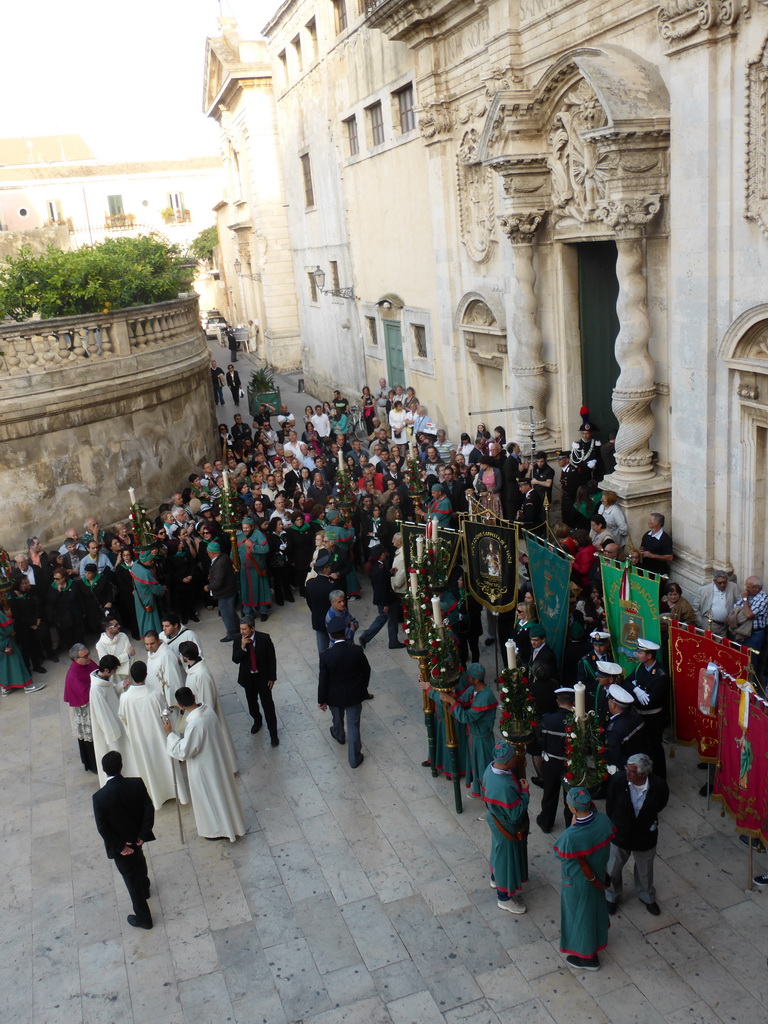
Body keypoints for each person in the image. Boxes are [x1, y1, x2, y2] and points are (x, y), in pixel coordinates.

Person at [164, 686, 246, 842]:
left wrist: (170, 735)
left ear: (180, 705)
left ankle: (217, 830)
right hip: (217, 761)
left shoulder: (195, 724)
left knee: (210, 798)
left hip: (204, 767)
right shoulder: (208, 710)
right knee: (221, 795)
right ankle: (229, 825)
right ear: (194, 696)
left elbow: (184, 752)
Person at [553, 786, 615, 970]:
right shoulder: (604, 821)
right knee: (594, 910)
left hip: (577, 882)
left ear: (572, 809)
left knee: (580, 918)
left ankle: (588, 957)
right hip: (598, 875)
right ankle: (596, 942)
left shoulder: (570, 836)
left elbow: (560, 854)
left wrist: (572, 826)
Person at [92, 750, 155, 930]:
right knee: (140, 861)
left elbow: (102, 828)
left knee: (130, 880)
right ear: (122, 765)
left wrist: (119, 846)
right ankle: (145, 888)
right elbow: (148, 809)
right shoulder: (136, 783)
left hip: (122, 847)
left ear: (104, 770)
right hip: (137, 840)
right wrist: (142, 835)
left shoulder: (99, 798)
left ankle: (144, 918)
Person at [605, 753, 669, 917]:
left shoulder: (659, 786)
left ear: (643, 774)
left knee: (645, 870)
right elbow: (610, 804)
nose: (627, 773)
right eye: (627, 769)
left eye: (631, 771)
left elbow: (661, 804)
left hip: (644, 835)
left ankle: (646, 897)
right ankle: (611, 897)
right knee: (613, 868)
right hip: (620, 833)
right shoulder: (618, 781)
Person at [119, 662, 187, 810]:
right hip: (158, 737)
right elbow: (165, 715)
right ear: (146, 675)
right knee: (165, 763)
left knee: (148, 767)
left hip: (139, 740)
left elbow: (122, 717)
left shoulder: (124, 698)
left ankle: (156, 797)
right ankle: (175, 792)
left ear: (131, 675)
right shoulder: (156, 695)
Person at [480, 740, 530, 914]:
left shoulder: (491, 767)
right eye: (514, 758)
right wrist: (525, 792)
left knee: (498, 850)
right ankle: (505, 898)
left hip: (495, 820)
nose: (516, 760)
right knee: (506, 860)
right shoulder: (503, 786)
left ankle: (495, 878)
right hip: (507, 826)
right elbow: (515, 813)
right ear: (507, 762)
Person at [318, 615, 371, 768]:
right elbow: (366, 670)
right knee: (353, 726)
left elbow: (323, 681)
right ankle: (354, 759)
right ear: (345, 632)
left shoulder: (326, 656)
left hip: (334, 696)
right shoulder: (356, 651)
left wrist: (321, 700)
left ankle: (339, 734)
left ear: (330, 635)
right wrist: (363, 687)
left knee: (338, 718)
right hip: (354, 693)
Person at [178, 641, 238, 773]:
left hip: (205, 720)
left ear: (186, 657)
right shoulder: (193, 670)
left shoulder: (202, 674)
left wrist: (199, 718)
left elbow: (208, 702)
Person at [440, 663, 497, 798]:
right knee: (475, 765)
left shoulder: (485, 696)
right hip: (474, 736)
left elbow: (467, 717)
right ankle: (478, 790)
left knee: (483, 768)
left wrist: (451, 701)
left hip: (483, 740)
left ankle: (488, 800)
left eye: (469, 677)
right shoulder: (473, 690)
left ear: (476, 680)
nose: (466, 679)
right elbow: (461, 700)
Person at [89, 654, 136, 786]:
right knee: (117, 751)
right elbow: (102, 714)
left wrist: (121, 685)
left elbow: (112, 691)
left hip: (116, 721)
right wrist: (113, 732)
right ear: (106, 670)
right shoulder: (96, 689)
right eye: (114, 669)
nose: (115, 672)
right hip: (111, 729)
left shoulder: (103, 680)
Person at [232, 617, 279, 745]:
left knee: (268, 707)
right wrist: (242, 647)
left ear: (252, 628)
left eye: (244, 629)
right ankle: (257, 720)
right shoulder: (238, 639)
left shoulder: (264, 638)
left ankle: (273, 734)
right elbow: (235, 659)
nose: (242, 631)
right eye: (241, 629)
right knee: (252, 705)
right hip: (248, 679)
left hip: (263, 678)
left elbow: (271, 659)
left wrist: (272, 677)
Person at [536, 686, 575, 834]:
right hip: (569, 765)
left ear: (558, 702)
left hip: (551, 762)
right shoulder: (576, 722)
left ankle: (546, 822)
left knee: (549, 793)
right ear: (573, 703)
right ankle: (570, 825)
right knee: (569, 795)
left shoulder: (547, 719)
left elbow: (540, 739)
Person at [630, 638, 668, 778]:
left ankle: (659, 775)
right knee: (643, 746)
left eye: (640, 652)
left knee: (654, 747)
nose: (637, 654)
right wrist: (636, 689)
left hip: (654, 717)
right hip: (641, 715)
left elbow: (649, 702)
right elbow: (628, 682)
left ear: (649, 656)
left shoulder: (660, 674)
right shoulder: (641, 668)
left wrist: (634, 693)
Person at [358, 546, 404, 650]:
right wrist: (386, 604)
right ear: (380, 555)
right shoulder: (380, 569)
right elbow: (382, 587)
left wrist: (390, 573)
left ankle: (366, 637)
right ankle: (393, 642)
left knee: (383, 618)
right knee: (391, 620)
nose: (385, 555)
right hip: (386, 599)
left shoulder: (377, 567)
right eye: (383, 553)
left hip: (382, 599)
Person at [63, 643, 98, 772]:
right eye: (85, 656)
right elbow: (84, 693)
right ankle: (93, 765)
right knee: (89, 738)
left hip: (92, 705)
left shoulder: (87, 663)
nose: (89, 657)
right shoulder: (74, 674)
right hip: (84, 709)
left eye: (88, 654)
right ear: (76, 659)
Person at [605, 683, 646, 773]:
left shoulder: (615, 729)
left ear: (613, 705)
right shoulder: (636, 717)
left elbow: (614, 755)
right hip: (640, 761)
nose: (608, 702)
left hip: (625, 769)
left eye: (609, 700)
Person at [204, 540, 241, 642]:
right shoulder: (224, 557)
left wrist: (208, 587)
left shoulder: (219, 563)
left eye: (208, 553)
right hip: (229, 590)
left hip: (225, 592)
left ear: (212, 553)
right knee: (231, 612)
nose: (207, 555)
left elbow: (218, 582)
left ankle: (232, 634)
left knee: (226, 614)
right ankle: (239, 627)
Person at [732, 576, 768, 670]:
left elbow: (749, 614)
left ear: (756, 588)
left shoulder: (763, 598)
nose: (746, 589)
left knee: (751, 661)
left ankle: (751, 682)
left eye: (748, 587)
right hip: (741, 631)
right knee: (739, 658)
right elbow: (736, 607)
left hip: (754, 634)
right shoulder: (748, 596)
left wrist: (745, 600)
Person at [143, 630, 185, 706]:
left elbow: (172, 680)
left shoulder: (167, 655)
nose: (149, 646)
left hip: (166, 700)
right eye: (147, 644)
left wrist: (172, 703)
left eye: (152, 643)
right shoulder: (151, 653)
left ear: (158, 640)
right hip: (155, 695)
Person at [130, 549, 165, 638]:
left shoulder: (136, 565)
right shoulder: (146, 572)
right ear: (144, 561)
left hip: (138, 597)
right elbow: (156, 588)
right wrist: (162, 589)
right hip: (148, 599)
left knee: (142, 618)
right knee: (150, 620)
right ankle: (153, 638)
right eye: (150, 561)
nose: (152, 562)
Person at [694, 570, 740, 635]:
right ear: (714, 581)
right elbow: (695, 608)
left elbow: (740, 603)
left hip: (725, 627)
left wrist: (732, 616)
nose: (722, 585)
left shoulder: (733, 587)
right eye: (720, 583)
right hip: (708, 625)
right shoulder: (704, 590)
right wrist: (701, 623)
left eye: (724, 582)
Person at [96, 617, 135, 683]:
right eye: (116, 625)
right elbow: (108, 663)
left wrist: (123, 657)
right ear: (108, 629)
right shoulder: (100, 645)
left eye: (118, 624)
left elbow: (131, 654)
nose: (119, 626)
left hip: (128, 671)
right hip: (114, 676)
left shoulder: (123, 636)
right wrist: (127, 655)